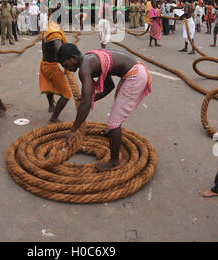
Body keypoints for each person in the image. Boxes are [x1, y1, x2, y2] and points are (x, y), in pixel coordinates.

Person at [56, 43, 151, 172]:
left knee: (114, 122)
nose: (67, 69)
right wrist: (90, 98)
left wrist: (73, 130)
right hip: (134, 71)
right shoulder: (90, 57)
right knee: (117, 112)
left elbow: (86, 104)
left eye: (66, 65)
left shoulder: (85, 68)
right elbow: (109, 86)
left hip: (135, 76)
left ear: (73, 58)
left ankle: (114, 162)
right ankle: (113, 132)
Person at [39, 10, 72, 121]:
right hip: (51, 67)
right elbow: (59, 51)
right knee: (67, 94)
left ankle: (51, 106)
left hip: (44, 63)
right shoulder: (55, 34)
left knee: (48, 85)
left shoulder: (49, 28)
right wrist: (67, 65)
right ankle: (54, 118)